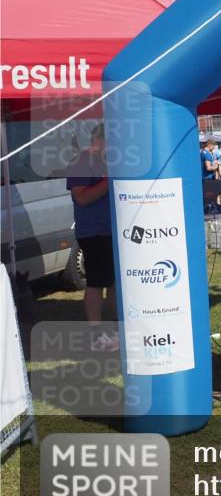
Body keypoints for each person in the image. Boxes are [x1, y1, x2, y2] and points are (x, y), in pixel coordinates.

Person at [65, 125, 118, 350]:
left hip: (113, 230)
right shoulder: (81, 162)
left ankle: (116, 329)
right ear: (99, 139)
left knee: (114, 282)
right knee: (96, 283)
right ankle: (97, 336)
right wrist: (110, 180)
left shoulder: (109, 161)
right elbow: (82, 197)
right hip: (94, 232)